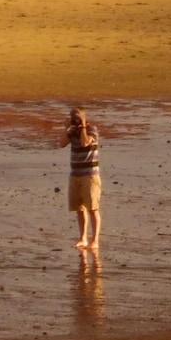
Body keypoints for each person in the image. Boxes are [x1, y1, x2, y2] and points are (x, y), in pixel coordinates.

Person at [65, 107, 102, 251]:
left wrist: (84, 127)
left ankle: (95, 240)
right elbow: (61, 143)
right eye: (73, 116)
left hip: (90, 175)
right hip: (75, 174)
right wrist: (66, 128)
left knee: (93, 208)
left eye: (78, 117)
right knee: (79, 208)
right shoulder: (71, 131)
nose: (75, 119)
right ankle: (83, 238)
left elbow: (85, 142)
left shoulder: (92, 129)